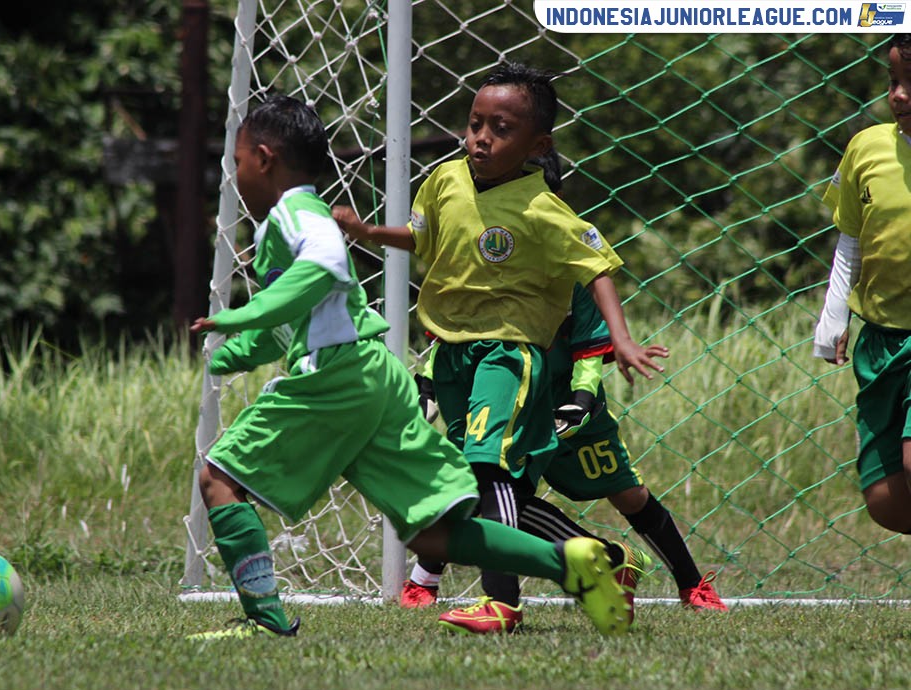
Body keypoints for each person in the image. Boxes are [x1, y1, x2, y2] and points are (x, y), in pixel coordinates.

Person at [186, 94, 634, 639]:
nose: (234, 175)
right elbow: (298, 314)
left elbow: (325, 266)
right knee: (433, 534)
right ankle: (571, 562)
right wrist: (240, 348)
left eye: (235, 162)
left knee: (219, 481)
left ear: (263, 158)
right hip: (375, 377)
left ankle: (264, 621)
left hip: (336, 377)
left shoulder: (296, 212)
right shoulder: (304, 218)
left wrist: (246, 312)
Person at [332, 62, 664, 634]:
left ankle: (502, 602)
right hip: (453, 351)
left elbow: (598, 268)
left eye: (501, 128)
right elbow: (421, 237)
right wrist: (367, 233)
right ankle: (608, 562)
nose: (481, 138)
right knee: (470, 482)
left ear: (537, 144)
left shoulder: (542, 209)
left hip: (508, 355)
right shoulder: (443, 179)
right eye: (475, 123)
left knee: (490, 475)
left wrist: (623, 340)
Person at [401, 285, 728, 617]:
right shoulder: (491, 264)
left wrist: (583, 398)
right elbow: (457, 332)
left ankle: (691, 583)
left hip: (566, 398)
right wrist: (427, 380)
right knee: (484, 479)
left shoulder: (570, 268)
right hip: (510, 385)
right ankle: (426, 582)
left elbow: (590, 344)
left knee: (628, 493)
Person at [814, 33, 911, 535]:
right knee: (885, 501)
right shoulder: (866, 148)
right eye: (894, 81)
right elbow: (851, 238)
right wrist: (834, 316)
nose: (899, 95)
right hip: (880, 340)